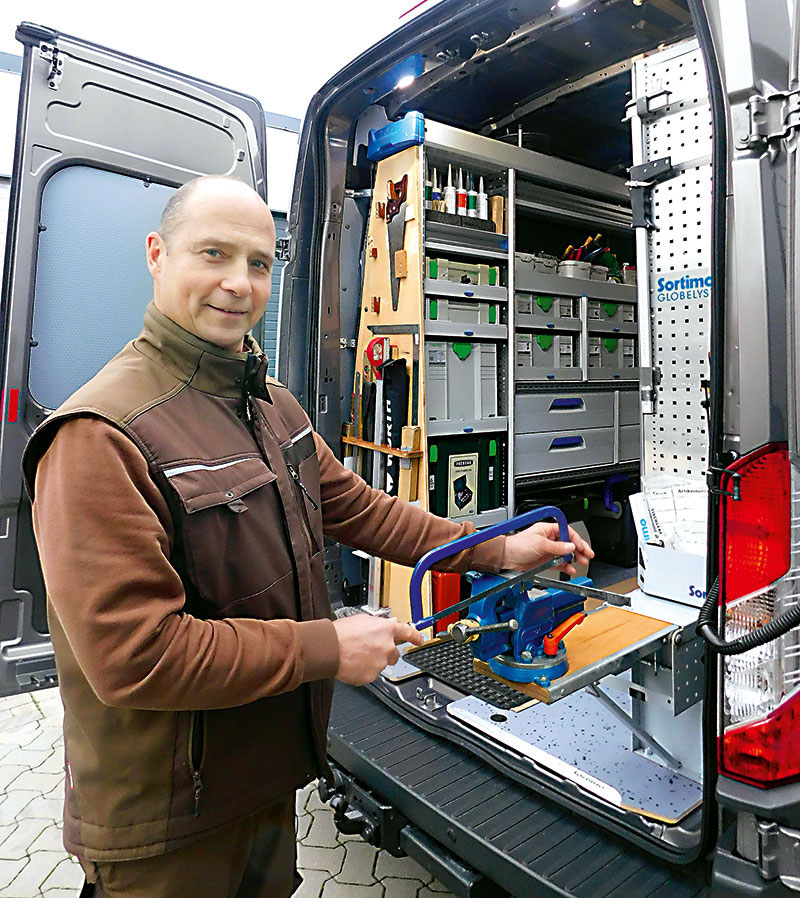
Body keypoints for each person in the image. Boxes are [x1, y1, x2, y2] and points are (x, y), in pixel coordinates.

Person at [22, 175, 593, 898]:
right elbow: (136, 657)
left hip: (262, 777)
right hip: (167, 821)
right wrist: (330, 646)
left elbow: (362, 509)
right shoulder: (100, 436)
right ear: (157, 255)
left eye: (259, 264)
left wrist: (496, 549)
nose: (238, 283)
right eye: (214, 254)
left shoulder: (270, 406)